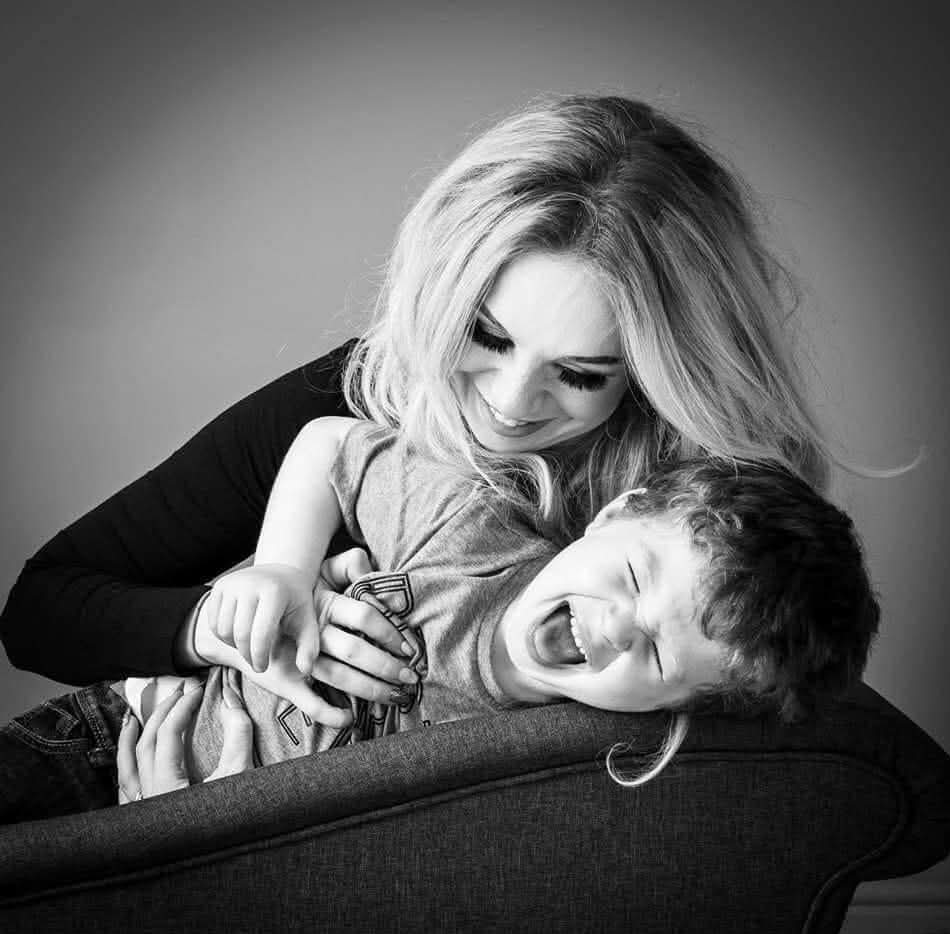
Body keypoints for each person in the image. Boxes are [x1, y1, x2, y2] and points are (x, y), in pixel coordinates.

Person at [1, 94, 833, 732]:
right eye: (484, 334)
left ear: (663, 377)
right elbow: (40, 613)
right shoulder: (361, 395)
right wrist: (241, 617)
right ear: (438, 294)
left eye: (581, 375)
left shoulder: (714, 523)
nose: (509, 405)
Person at [0, 416, 878, 822]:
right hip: (120, 720)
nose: (614, 628)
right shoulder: (470, 530)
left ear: (679, 706)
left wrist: (178, 837)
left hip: (177, 831)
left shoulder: (556, 766)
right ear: (616, 515)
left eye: (653, 652)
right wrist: (283, 567)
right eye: (635, 575)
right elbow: (331, 445)